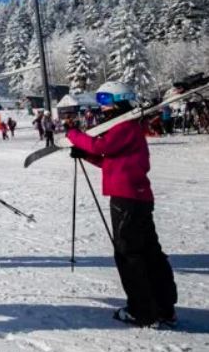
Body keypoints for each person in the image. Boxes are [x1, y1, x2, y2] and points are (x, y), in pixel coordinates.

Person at [65, 81, 177, 328]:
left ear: (118, 101)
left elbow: (102, 145)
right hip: (135, 197)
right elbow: (112, 162)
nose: (102, 108)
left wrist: (74, 135)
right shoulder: (128, 127)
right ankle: (162, 307)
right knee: (148, 251)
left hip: (127, 199)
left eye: (105, 102)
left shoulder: (124, 126)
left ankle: (142, 310)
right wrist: (86, 155)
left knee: (130, 254)